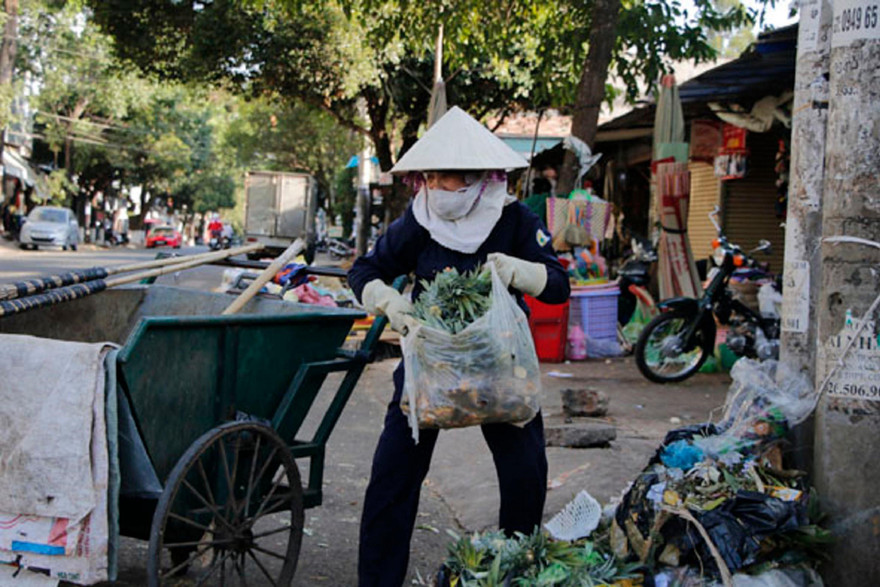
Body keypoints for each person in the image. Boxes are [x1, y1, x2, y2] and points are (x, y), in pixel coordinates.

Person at [347, 106, 570, 587]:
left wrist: (519, 271)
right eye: (428, 178)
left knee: (525, 475)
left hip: (500, 367)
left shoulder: (514, 219)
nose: (435, 188)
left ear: (475, 178)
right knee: (392, 477)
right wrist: (388, 300)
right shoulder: (419, 219)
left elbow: (558, 285)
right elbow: (364, 270)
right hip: (431, 366)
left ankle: (515, 572)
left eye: (444, 179)